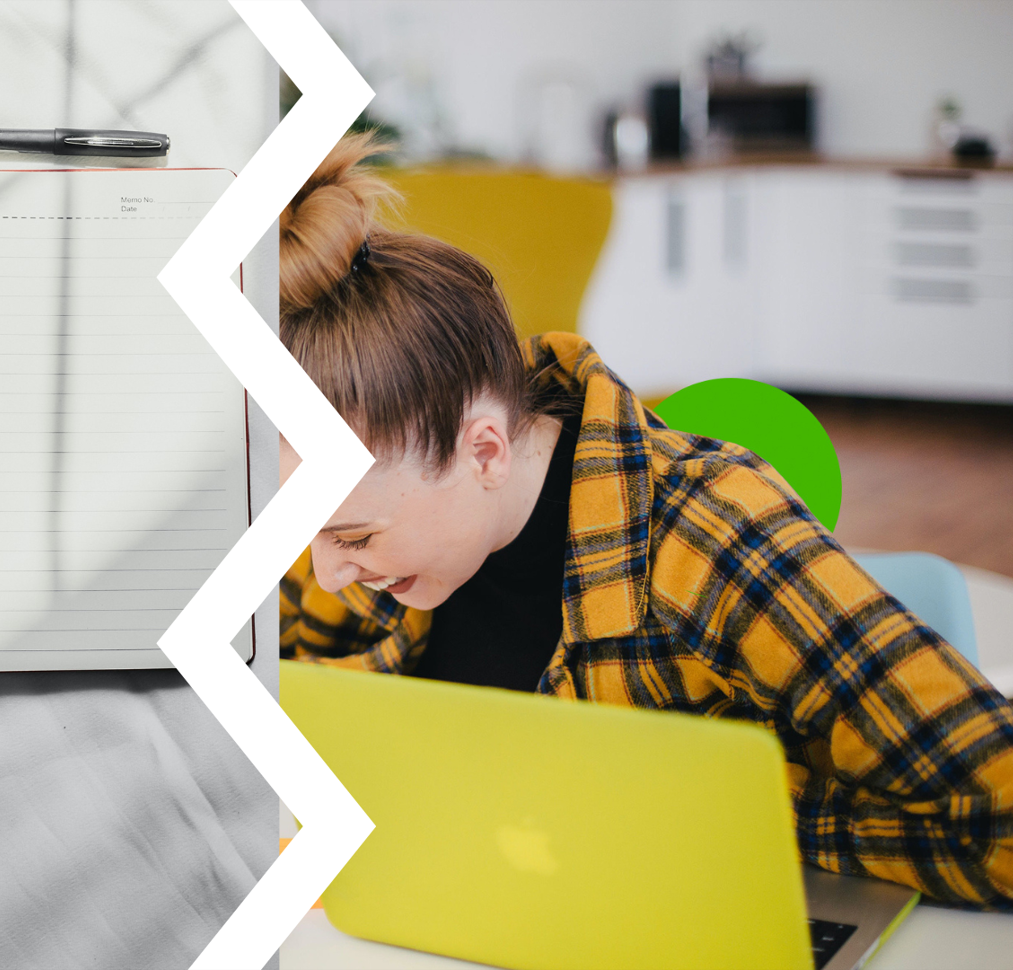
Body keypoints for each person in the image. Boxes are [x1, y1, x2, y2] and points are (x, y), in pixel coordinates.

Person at [277, 132, 1013, 910]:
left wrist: (730, 814)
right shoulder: (370, 512)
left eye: (352, 537)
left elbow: (998, 814)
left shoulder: (711, 535)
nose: (327, 572)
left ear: (485, 450)